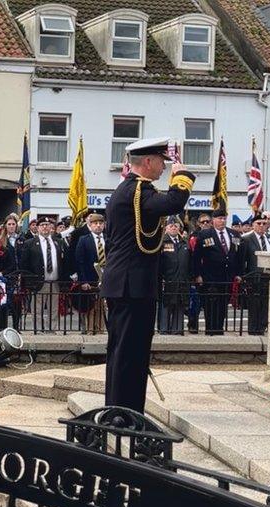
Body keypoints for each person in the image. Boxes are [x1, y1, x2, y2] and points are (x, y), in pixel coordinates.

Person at [100, 138, 194, 413]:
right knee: (130, 354)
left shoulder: (127, 189)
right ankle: (124, 414)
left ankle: (120, 410)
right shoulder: (138, 191)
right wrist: (182, 175)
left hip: (126, 283)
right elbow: (174, 202)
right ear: (148, 162)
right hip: (133, 286)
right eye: (162, 161)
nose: (165, 167)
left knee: (123, 353)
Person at [192, 209, 241, 336]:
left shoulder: (234, 234)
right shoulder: (205, 234)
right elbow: (197, 256)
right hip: (210, 278)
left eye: (224, 218)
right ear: (213, 220)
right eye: (219, 218)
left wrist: (238, 273)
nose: (222, 221)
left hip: (227, 278)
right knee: (211, 307)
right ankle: (211, 332)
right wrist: (197, 275)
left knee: (223, 307)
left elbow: (238, 256)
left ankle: (219, 330)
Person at [24, 215, 66, 331]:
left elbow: (63, 261)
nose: (45, 228)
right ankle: (37, 330)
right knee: (37, 310)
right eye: (42, 225)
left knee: (54, 310)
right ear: (37, 228)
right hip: (38, 282)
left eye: (47, 225)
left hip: (55, 282)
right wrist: (30, 282)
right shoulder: (30, 243)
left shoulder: (58, 242)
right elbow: (25, 265)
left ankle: (53, 330)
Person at [239, 212, 270, 335]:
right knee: (254, 305)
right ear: (253, 225)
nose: (262, 226)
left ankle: (262, 327)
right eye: (259, 223)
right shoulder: (247, 239)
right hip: (254, 278)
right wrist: (243, 277)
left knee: (266, 305)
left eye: (264, 223)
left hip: (268, 277)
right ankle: (254, 329)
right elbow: (242, 260)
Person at [74, 212, 107, 334]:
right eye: (95, 223)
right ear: (90, 225)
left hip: (105, 278)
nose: (98, 226)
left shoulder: (108, 239)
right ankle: (89, 330)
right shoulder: (84, 240)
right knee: (90, 307)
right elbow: (79, 261)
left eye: (100, 223)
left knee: (101, 306)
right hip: (90, 279)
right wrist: (83, 281)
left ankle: (100, 330)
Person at [158, 216, 192, 335]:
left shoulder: (185, 242)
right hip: (167, 280)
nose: (173, 227)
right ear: (166, 228)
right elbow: (158, 263)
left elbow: (189, 262)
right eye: (171, 226)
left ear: (180, 228)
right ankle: (164, 329)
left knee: (180, 305)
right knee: (166, 305)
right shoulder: (162, 242)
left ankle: (178, 330)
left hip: (182, 280)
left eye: (176, 226)